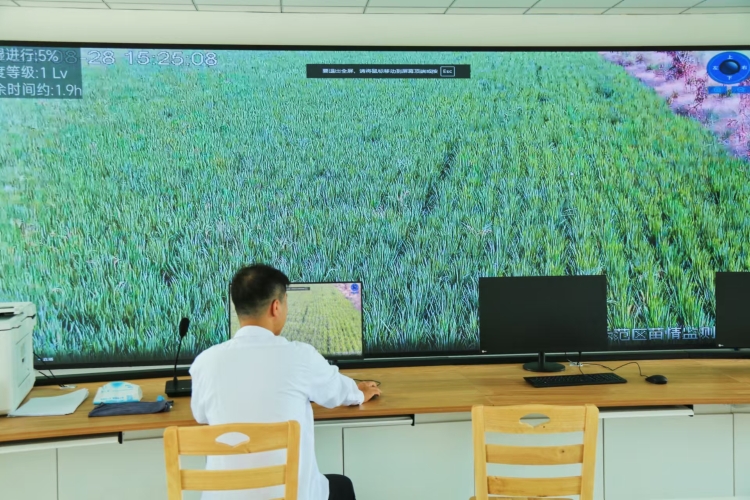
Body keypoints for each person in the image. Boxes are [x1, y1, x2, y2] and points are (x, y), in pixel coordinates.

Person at [190, 264, 381, 500]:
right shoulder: (301, 356)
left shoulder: (204, 362)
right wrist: (360, 392)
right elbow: (338, 393)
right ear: (276, 307)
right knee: (342, 485)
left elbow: (200, 415)